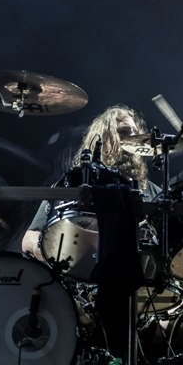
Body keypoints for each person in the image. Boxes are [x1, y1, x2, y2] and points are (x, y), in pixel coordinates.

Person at [22, 104, 162, 259]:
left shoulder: (155, 193)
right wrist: (50, 252)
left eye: (136, 134)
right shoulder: (75, 183)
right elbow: (29, 238)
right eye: (124, 132)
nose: (133, 139)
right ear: (103, 139)